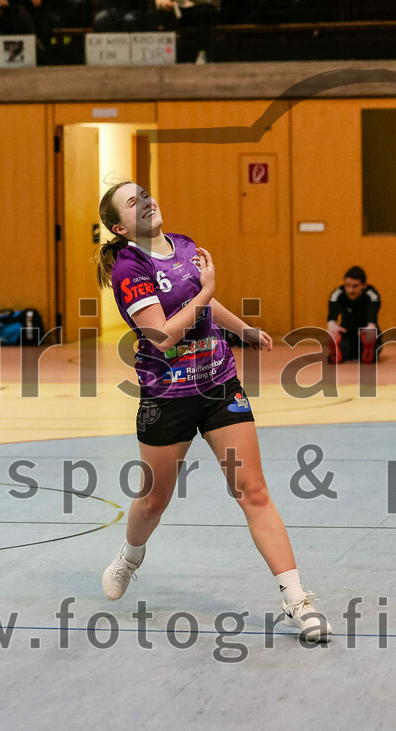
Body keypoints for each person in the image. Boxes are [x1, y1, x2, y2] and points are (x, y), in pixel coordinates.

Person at [95, 180, 331, 642]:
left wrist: (241, 327)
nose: (145, 201)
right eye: (132, 202)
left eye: (145, 193)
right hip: (167, 396)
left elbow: (205, 301)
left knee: (254, 491)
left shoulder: (183, 245)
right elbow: (160, 335)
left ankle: (297, 601)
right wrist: (204, 294)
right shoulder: (129, 266)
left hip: (220, 385)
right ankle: (130, 555)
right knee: (154, 499)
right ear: (121, 227)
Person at [326, 266, 380, 364]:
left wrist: (371, 326)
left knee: (371, 339)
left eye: (355, 286)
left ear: (364, 285)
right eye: (347, 286)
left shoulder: (372, 294)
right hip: (347, 333)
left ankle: (368, 350)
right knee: (343, 351)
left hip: (365, 333)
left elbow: (373, 315)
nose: (350, 290)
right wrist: (332, 324)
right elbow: (332, 314)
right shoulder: (338, 293)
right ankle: (338, 352)